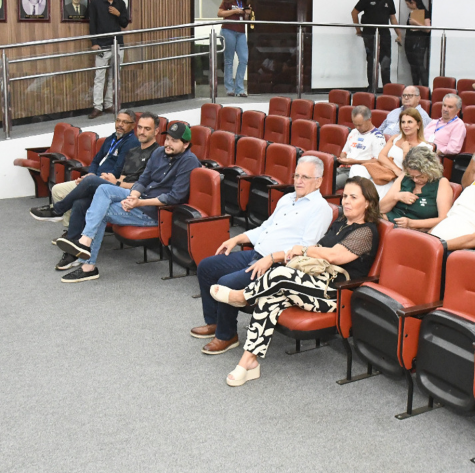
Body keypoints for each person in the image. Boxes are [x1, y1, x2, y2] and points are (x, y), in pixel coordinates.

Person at [211, 178, 381, 387]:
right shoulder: (340, 223)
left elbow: (335, 256)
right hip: (313, 284)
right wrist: (282, 255)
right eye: (345, 196)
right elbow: (318, 251)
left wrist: (304, 250)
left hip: (335, 294)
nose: (346, 201)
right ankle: (248, 363)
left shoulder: (366, 231)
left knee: (281, 274)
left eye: (353, 197)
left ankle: (242, 296)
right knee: (269, 298)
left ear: (368, 203)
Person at [192, 156, 333, 354]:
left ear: (318, 181)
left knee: (226, 282)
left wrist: (273, 257)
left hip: (277, 265)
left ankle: (227, 335)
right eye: (297, 175)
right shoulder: (287, 199)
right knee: (207, 266)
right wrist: (237, 239)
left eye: (305, 177)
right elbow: (265, 227)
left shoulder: (320, 209)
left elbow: (305, 250)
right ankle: (214, 322)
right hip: (256, 253)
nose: (299, 181)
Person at [56, 122, 200, 282]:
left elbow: (173, 198)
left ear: (186, 144)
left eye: (174, 141)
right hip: (141, 198)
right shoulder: (160, 152)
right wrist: (134, 196)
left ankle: (88, 265)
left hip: (154, 211)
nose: (168, 143)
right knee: (103, 189)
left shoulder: (189, 161)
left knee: (101, 212)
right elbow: (144, 179)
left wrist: (139, 203)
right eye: (167, 139)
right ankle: (85, 240)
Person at [40, 114, 159, 271]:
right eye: (140, 128)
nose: (142, 132)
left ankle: (58, 210)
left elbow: (145, 185)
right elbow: (122, 176)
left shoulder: (157, 153)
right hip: (120, 189)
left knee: (90, 182)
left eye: (147, 129)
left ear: (156, 131)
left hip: (136, 196)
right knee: (80, 202)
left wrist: (115, 182)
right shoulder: (133, 151)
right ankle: (73, 251)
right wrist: (116, 182)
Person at [29, 110, 140, 221]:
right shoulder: (111, 138)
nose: (120, 124)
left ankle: (58, 211)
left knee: (78, 197)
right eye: (118, 121)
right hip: (94, 177)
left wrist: (91, 179)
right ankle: (67, 227)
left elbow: (117, 170)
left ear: (133, 125)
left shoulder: (131, 143)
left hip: (107, 182)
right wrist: (90, 174)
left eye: (125, 122)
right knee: (57, 190)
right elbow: (96, 160)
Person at [352, 108, 432, 198]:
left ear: (418, 125)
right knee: (356, 169)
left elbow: (410, 170)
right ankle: (358, 202)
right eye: (403, 122)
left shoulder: (424, 147)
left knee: (374, 189)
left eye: (410, 122)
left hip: (396, 180)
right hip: (384, 171)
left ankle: (364, 203)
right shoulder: (395, 137)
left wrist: (406, 151)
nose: (405, 125)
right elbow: (381, 156)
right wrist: (395, 169)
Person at [381, 146, 453, 230]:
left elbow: (443, 219)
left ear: (430, 171)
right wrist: (397, 196)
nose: (415, 180)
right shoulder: (405, 176)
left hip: (416, 230)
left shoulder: (441, 183)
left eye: (420, 176)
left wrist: (411, 223)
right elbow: (381, 209)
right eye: (412, 176)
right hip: (390, 222)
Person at [88, 0, 129, 119]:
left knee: (114, 76)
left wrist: (118, 14)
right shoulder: (96, 3)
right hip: (102, 44)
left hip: (117, 44)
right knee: (99, 76)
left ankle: (109, 104)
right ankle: (97, 106)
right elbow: (92, 23)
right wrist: (94, 42)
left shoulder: (121, 4)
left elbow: (125, 23)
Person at [351, 0, 401, 91]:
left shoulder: (389, 0)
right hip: (370, 34)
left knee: (386, 61)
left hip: (384, 34)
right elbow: (354, 12)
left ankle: (387, 88)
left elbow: (393, 18)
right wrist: (358, 29)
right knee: (372, 60)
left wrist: (399, 34)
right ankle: (372, 87)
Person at [336, 105, 386, 188]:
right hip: (343, 167)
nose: (357, 127)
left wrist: (353, 161)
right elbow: (344, 152)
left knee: (331, 183)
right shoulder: (353, 132)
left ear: (369, 120)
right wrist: (343, 159)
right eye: (355, 124)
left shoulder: (377, 137)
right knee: (321, 177)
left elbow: (377, 161)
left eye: (360, 125)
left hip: (360, 171)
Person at [217, 0, 251, 97]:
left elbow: (246, 20)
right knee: (229, 60)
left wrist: (247, 13)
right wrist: (235, 11)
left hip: (241, 32)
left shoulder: (245, 1)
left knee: (244, 59)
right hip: (228, 30)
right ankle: (229, 88)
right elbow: (220, 13)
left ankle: (240, 89)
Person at [403, 0, 431, 87]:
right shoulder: (411, 13)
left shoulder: (425, 13)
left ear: (413, 2)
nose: (408, 7)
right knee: (413, 65)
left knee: (419, 64)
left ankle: (425, 86)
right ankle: (415, 86)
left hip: (419, 41)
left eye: (408, 4)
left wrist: (415, 23)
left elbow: (427, 29)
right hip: (410, 40)